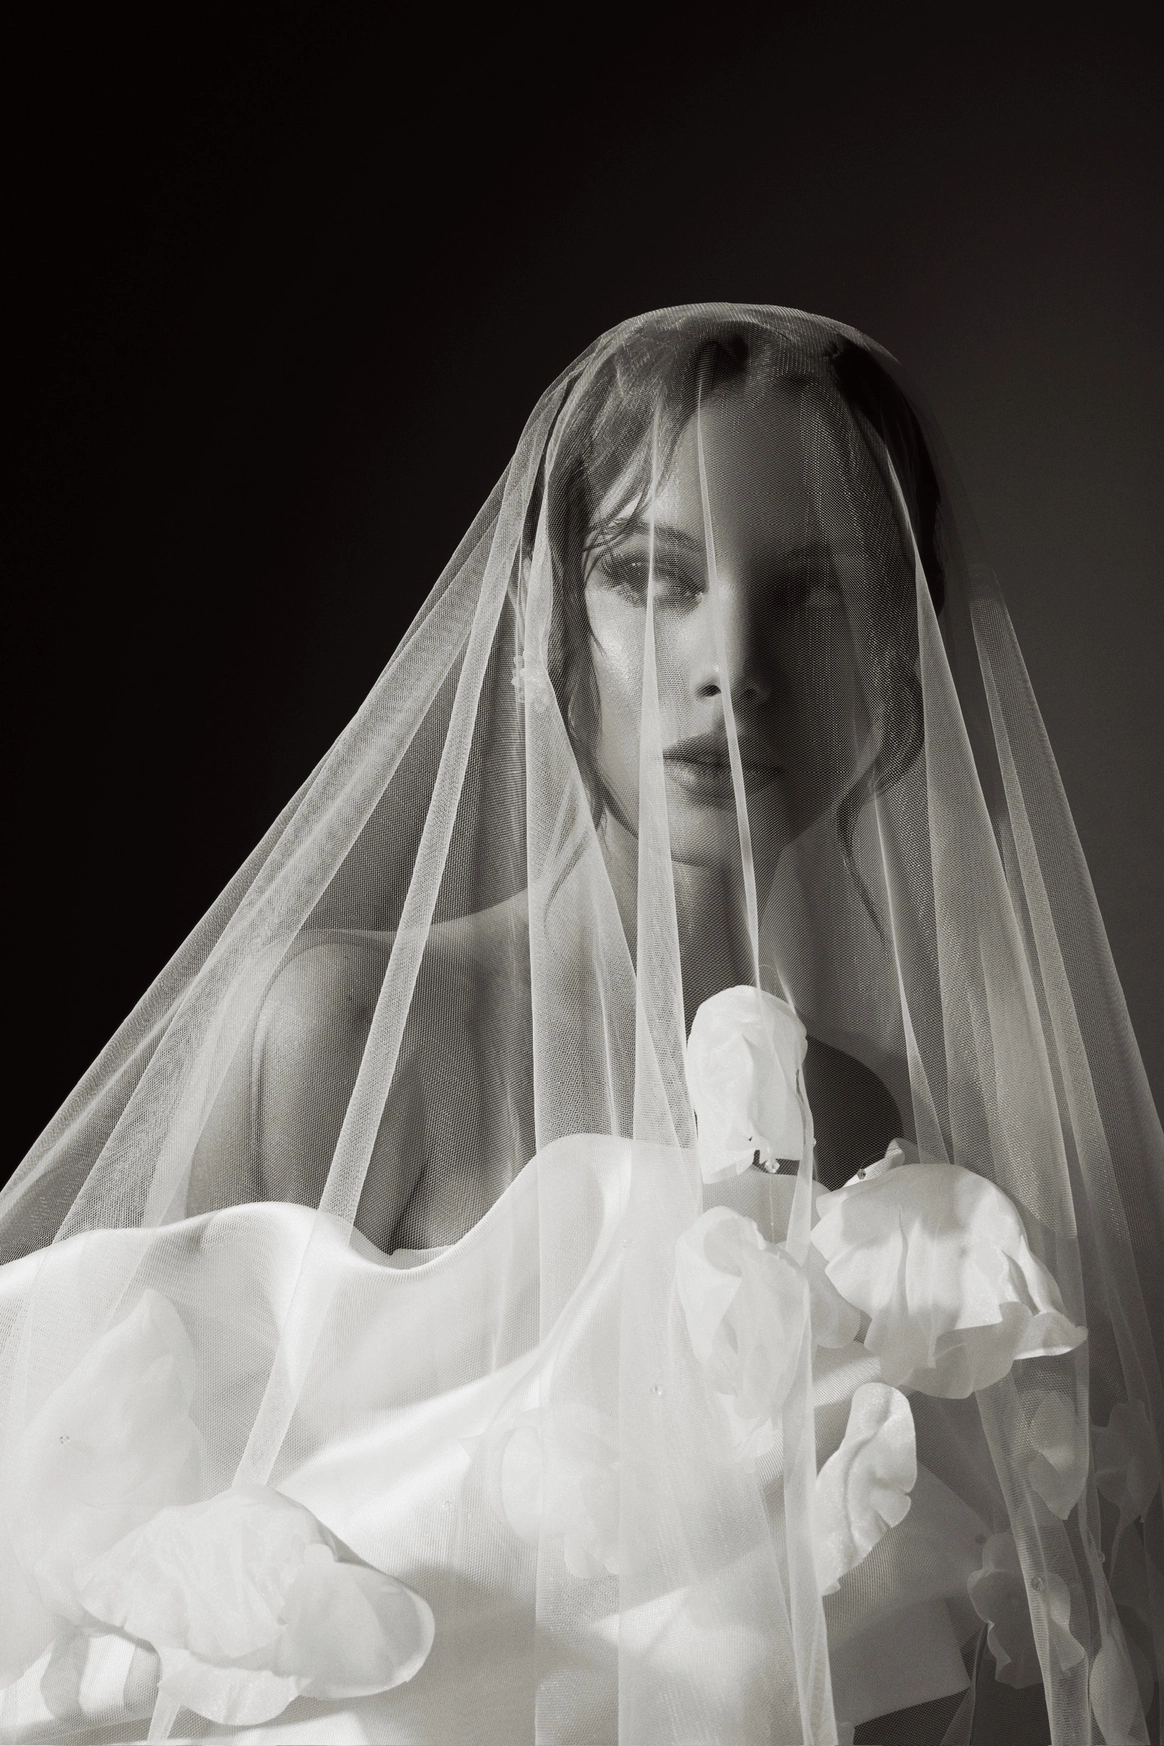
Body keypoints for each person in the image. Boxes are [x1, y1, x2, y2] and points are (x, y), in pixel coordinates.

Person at [0, 306, 1159, 1746]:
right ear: (544, 616)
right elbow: (113, 1588)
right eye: (650, 578)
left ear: (902, 659)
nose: (732, 660)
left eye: (816, 591)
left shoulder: (898, 1147)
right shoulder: (355, 1037)